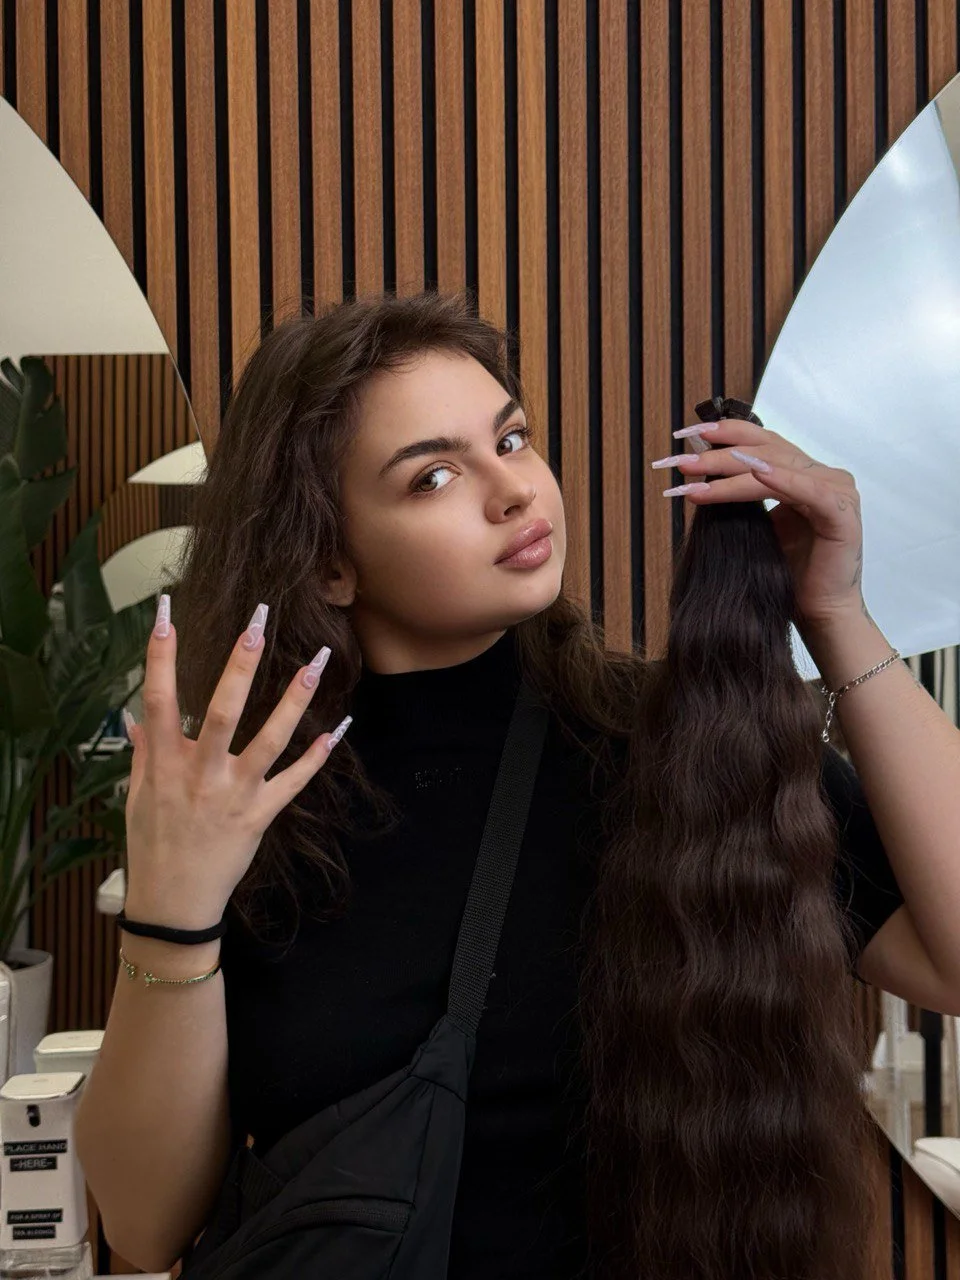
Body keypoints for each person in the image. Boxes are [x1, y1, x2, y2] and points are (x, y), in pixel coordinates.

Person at [77, 291, 904, 1279]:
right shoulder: (254, 805)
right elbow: (145, 1224)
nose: (514, 491)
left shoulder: (683, 739)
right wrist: (172, 907)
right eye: (433, 475)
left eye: (511, 440)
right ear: (331, 562)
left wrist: (836, 611)